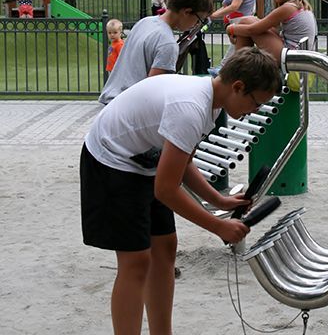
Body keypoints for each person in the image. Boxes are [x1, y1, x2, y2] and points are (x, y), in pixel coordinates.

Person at [80, 47, 282, 335]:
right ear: (238, 87)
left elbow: (183, 162)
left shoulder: (211, 101)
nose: (255, 111)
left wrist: (218, 200)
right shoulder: (191, 107)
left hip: (143, 159)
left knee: (165, 247)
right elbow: (166, 189)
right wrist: (218, 226)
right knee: (136, 261)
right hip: (110, 159)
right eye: (256, 103)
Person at [99, 0, 213, 104]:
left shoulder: (144, 22)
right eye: (199, 19)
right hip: (128, 110)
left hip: (112, 103)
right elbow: (152, 94)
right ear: (186, 12)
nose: (197, 24)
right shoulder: (168, 44)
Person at [226, 0, 317, 64]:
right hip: (297, 54)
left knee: (247, 22)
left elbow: (252, 30)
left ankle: (239, 68)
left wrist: (231, 29)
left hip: (291, 56)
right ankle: (240, 67)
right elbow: (268, 28)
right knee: (249, 20)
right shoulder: (299, 5)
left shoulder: (288, 8)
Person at [209, 0, 256, 74]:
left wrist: (213, 15)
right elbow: (227, 6)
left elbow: (234, 6)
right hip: (236, 26)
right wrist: (214, 14)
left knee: (230, 60)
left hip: (239, 25)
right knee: (232, 58)